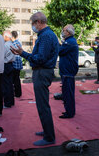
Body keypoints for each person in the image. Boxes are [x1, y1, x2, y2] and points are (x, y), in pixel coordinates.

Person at [10, 12, 59, 146]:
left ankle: (49, 137)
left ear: (38, 22)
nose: (32, 26)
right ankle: (47, 131)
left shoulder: (46, 36)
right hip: (42, 71)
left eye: (32, 24)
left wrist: (23, 53)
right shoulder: (45, 35)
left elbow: (40, 58)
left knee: (43, 105)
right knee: (42, 104)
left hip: (42, 72)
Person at [58, 24, 79, 119]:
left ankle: (69, 112)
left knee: (68, 93)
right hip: (66, 70)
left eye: (64, 30)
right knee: (66, 93)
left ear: (69, 32)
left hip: (68, 71)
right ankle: (68, 111)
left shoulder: (70, 42)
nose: (63, 32)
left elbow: (59, 51)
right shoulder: (68, 41)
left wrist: (56, 43)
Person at [2, 30, 16, 108]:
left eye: (3, 36)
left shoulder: (5, 45)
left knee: (6, 85)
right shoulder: (12, 44)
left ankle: (7, 102)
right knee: (10, 84)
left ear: (6, 37)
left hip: (6, 64)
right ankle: (11, 101)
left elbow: (2, 55)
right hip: (10, 64)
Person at [11, 31, 23, 98]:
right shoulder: (18, 42)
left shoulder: (14, 43)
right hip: (18, 64)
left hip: (15, 64)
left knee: (15, 80)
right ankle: (18, 93)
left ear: (12, 37)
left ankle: (17, 93)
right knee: (17, 79)